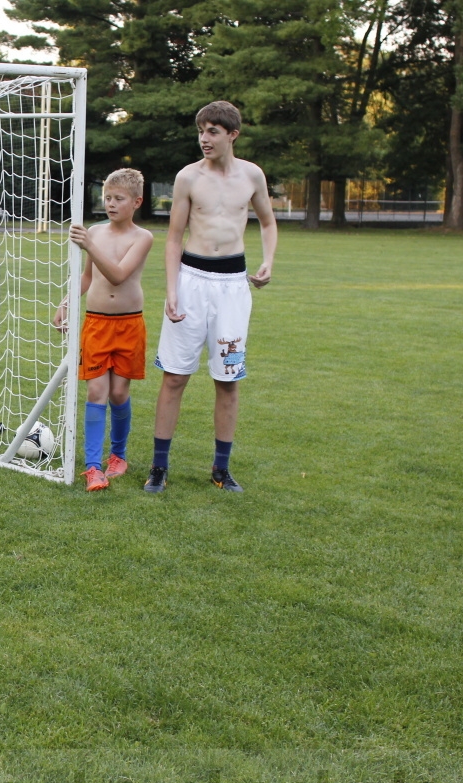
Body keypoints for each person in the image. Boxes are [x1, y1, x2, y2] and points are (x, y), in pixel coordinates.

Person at [145, 100, 278, 494]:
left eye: (213, 131)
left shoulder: (252, 175)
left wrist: (268, 261)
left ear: (232, 135)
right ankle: (158, 468)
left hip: (233, 287)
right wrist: (172, 290)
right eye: (201, 131)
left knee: (228, 380)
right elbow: (173, 238)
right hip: (191, 283)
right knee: (174, 378)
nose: (204, 138)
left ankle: (221, 469)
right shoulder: (187, 177)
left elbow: (268, 222)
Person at [53, 169, 154, 491]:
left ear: (136, 202)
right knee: (96, 392)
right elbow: (87, 277)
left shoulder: (143, 237)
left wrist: (89, 245)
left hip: (129, 325)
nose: (110, 204)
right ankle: (93, 467)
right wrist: (66, 303)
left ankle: (118, 456)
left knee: (119, 393)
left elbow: (118, 276)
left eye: (118, 199)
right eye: (107, 197)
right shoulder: (95, 232)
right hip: (96, 324)